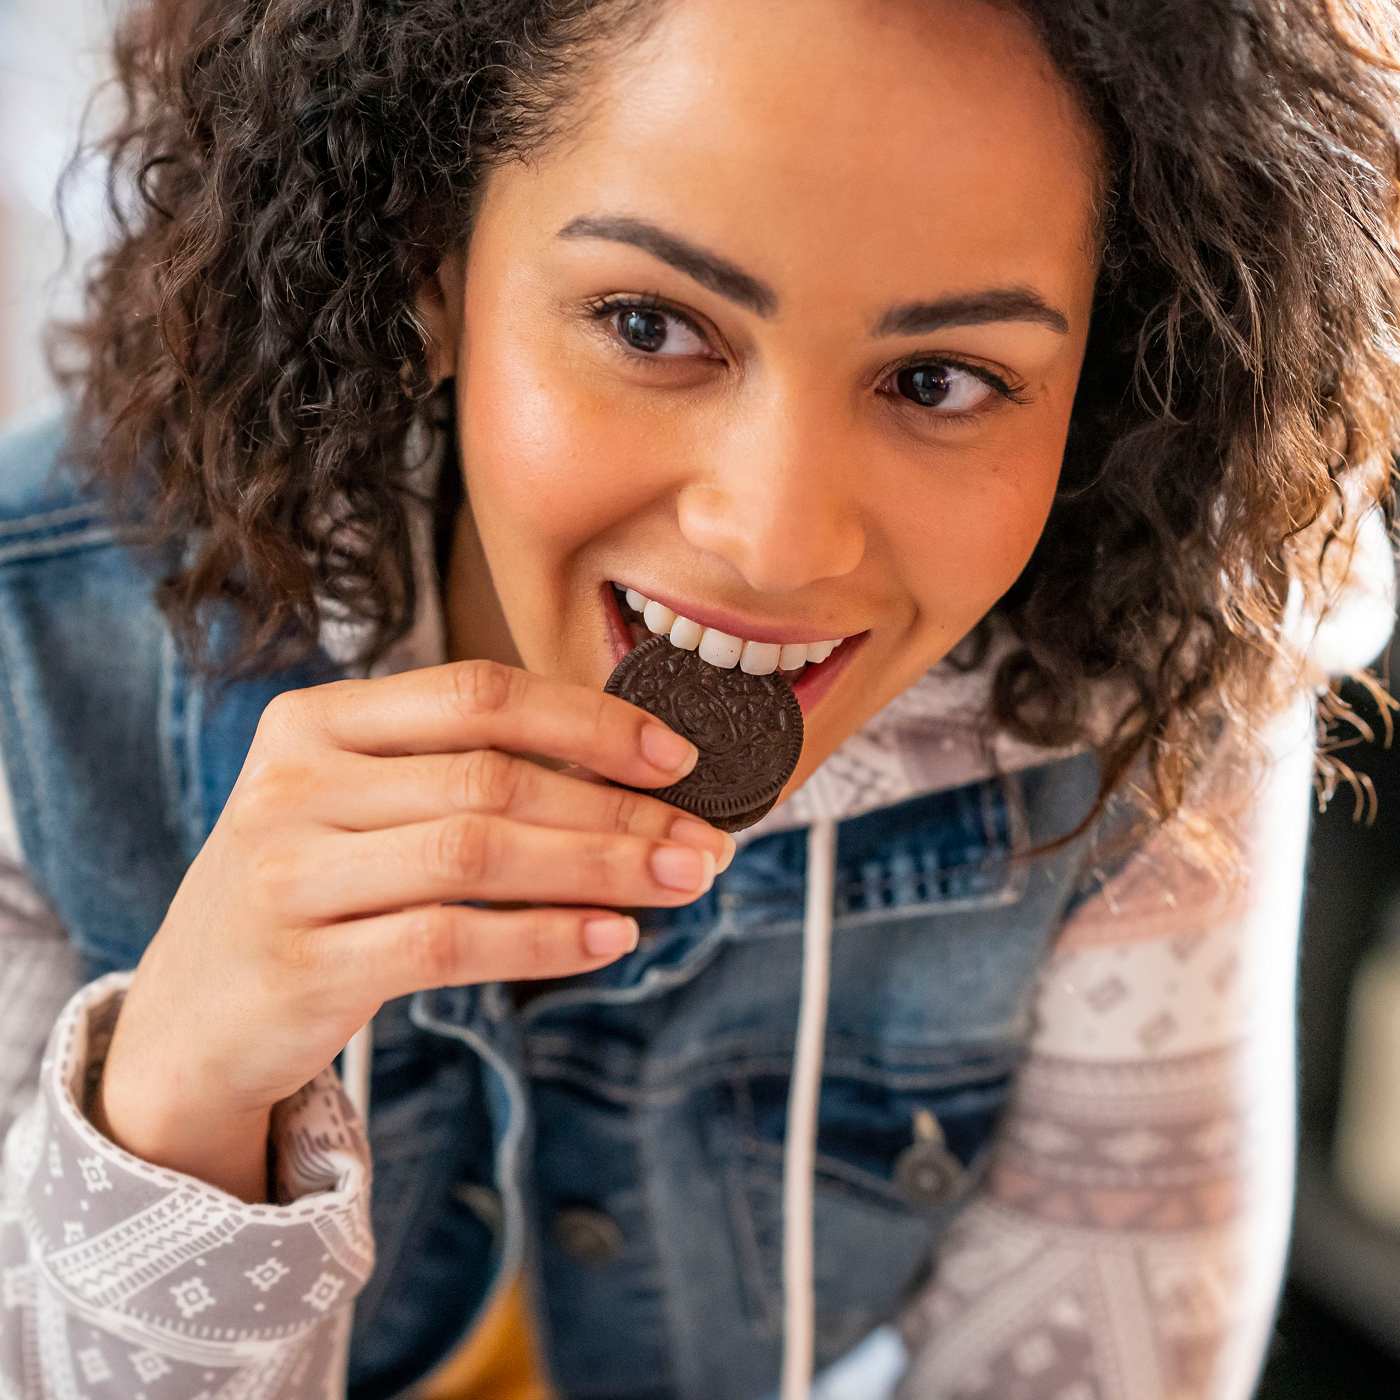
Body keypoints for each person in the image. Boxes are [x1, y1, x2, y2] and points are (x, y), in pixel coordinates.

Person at [2, 0, 1399, 1396]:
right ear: (434, 264)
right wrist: (174, 1101)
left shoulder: (1147, 673)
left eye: (938, 380)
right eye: (651, 324)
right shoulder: (31, 654)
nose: (779, 542)